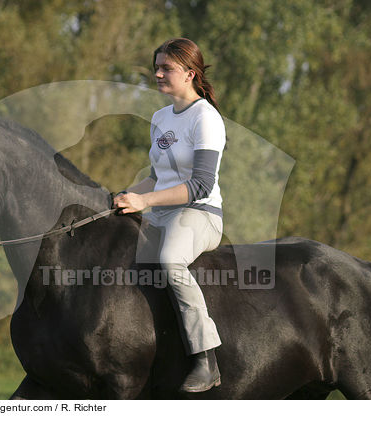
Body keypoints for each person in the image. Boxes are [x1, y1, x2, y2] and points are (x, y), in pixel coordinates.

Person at [114, 38, 225, 393]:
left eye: (167, 68)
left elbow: (201, 185)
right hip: (162, 211)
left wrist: (146, 202)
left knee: (169, 260)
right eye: (157, 67)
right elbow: (156, 175)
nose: (158, 73)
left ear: (190, 73)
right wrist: (127, 196)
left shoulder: (206, 118)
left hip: (199, 214)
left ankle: (205, 358)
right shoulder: (160, 117)